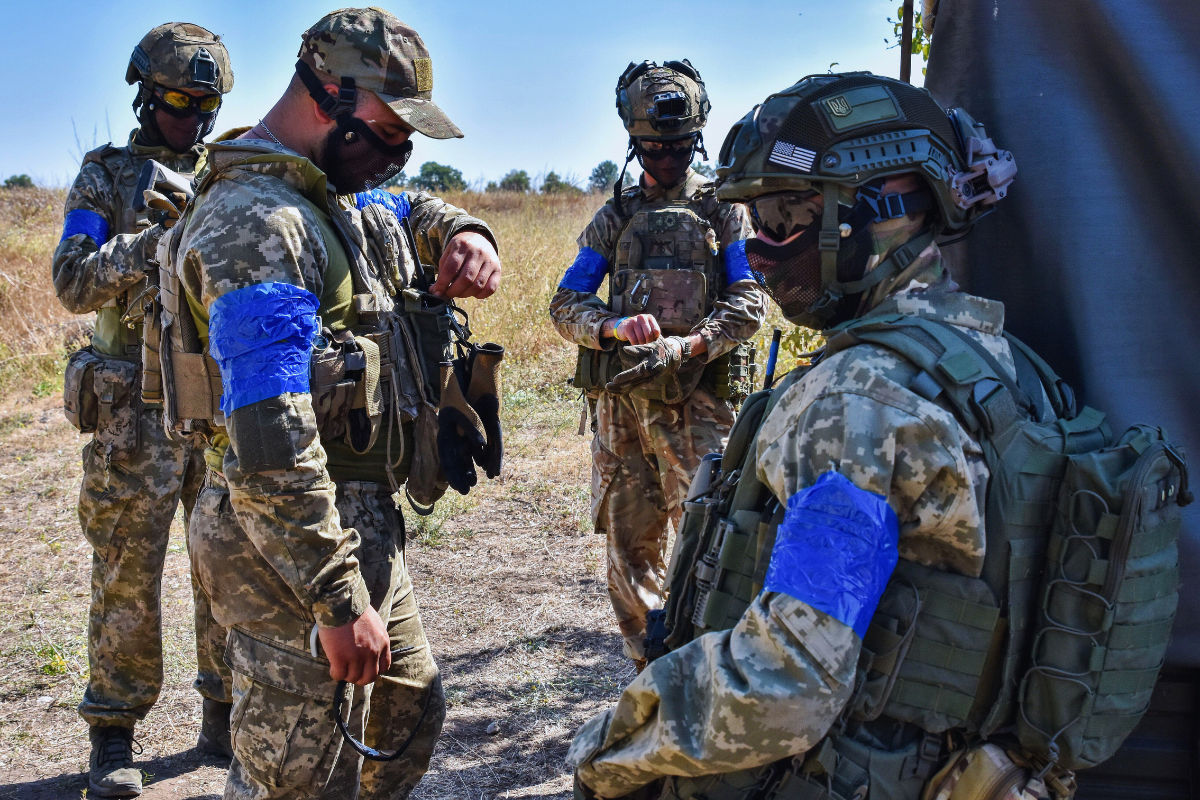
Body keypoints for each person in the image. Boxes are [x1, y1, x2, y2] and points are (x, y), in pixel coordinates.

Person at [568, 73, 1032, 799]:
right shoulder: (995, 355)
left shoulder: (856, 404)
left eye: (784, 219)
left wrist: (608, 753)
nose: (761, 250)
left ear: (876, 211)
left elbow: (784, 682)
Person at [158, 9, 502, 799]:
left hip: (359, 517)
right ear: (329, 97)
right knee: (300, 776)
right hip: (283, 544)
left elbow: (409, 209)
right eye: (389, 130)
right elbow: (269, 440)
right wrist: (335, 597)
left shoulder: (331, 193)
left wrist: (466, 229)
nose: (400, 150)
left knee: (407, 708)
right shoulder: (258, 223)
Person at [51, 22, 235, 797]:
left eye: (203, 105)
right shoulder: (108, 176)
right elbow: (71, 281)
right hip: (133, 408)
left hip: (217, 402)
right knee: (127, 569)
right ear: (144, 95)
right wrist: (147, 240)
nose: (189, 121)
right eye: (175, 103)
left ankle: (225, 721)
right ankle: (113, 738)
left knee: (226, 561)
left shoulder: (235, 174)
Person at [549, 60, 765, 670]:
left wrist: (693, 345)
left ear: (694, 139)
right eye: (651, 147)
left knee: (709, 545)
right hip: (621, 413)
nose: (664, 159)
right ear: (633, 142)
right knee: (628, 550)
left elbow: (750, 302)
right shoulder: (615, 217)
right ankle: (650, 680)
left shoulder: (726, 213)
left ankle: (707, 674)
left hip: (698, 410)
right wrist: (611, 327)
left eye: (675, 147)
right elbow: (566, 302)